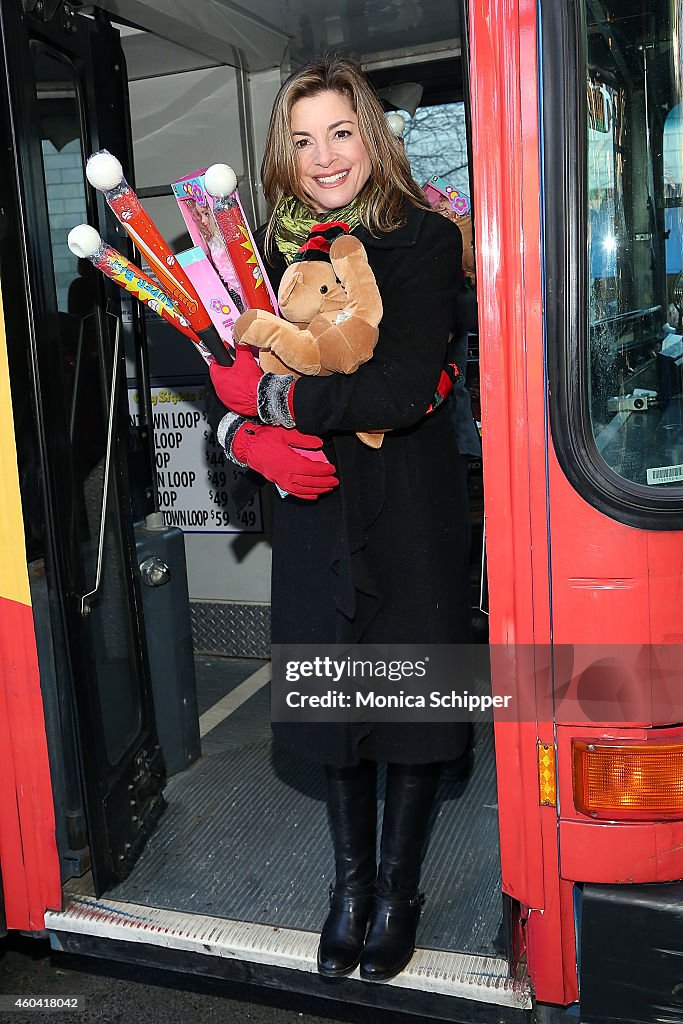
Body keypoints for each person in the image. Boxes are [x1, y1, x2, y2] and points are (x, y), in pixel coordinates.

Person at [204, 57, 472, 983]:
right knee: (334, 702)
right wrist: (240, 435)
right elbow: (223, 375)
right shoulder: (267, 256)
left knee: (403, 705)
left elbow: (396, 389)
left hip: (407, 508)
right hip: (316, 511)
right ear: (285, 152)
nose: (324, 157)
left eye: (341, 132)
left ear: (371, 134)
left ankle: (397, 891)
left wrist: (272, 402)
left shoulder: (424, 243)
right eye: (304, 139)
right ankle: (346, 887)